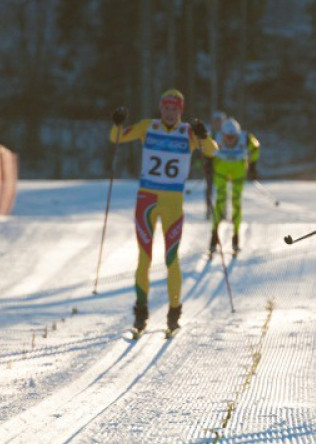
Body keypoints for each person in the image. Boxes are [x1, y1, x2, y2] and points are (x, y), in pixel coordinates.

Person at [109, 89, 217, 336]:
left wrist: (204, 135)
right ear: (161, 109)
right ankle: (140, 313)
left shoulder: (188, 133)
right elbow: (116, 138)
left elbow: (212, 151)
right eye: (166, 109)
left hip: (173, 202)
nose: (170, 113)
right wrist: (117, 122)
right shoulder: (148, 127)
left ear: (181, 111)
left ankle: (174, 313)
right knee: (144, 257)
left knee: (171, 259)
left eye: (175, 109)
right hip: (146, 200)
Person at [204, 117, 260, 255]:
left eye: (233, 137)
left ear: (238, 134)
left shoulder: (246, 138)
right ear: (222, 134)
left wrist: (252, 164)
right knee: (220, 201)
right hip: (221, 170)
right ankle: (214, 235)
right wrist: (208, 162)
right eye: (227, 137)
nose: (229, 140)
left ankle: (236, 236)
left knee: (236, 201)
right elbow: (205, 146)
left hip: (238, 171)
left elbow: (256, 147)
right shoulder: (215, 136)